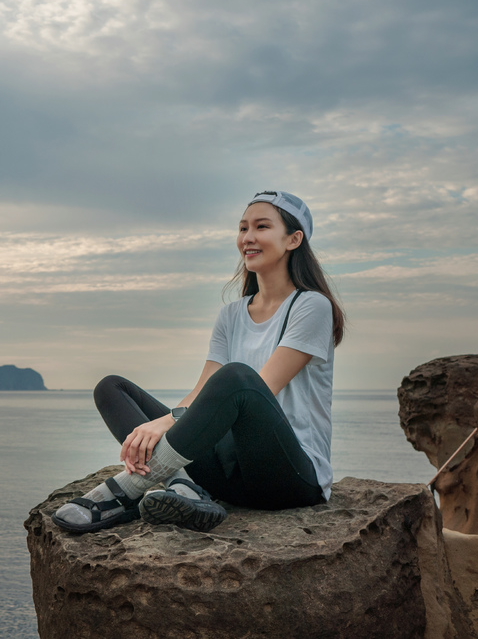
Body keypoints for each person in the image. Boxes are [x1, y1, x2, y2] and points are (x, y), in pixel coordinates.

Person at [53, 190, 345, 533]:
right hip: (228, 480)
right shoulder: (232, 314)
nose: (247, 238)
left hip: (288, 480)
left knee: (239, 378)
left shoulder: (311, 306)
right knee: (111, 388)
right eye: (242, 228)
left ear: (294, 239)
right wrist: (164, 421)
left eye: (262, 227)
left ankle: (123, 492)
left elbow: (259, 390)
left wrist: (169, 422)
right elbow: (203, 390)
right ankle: (183, 487)